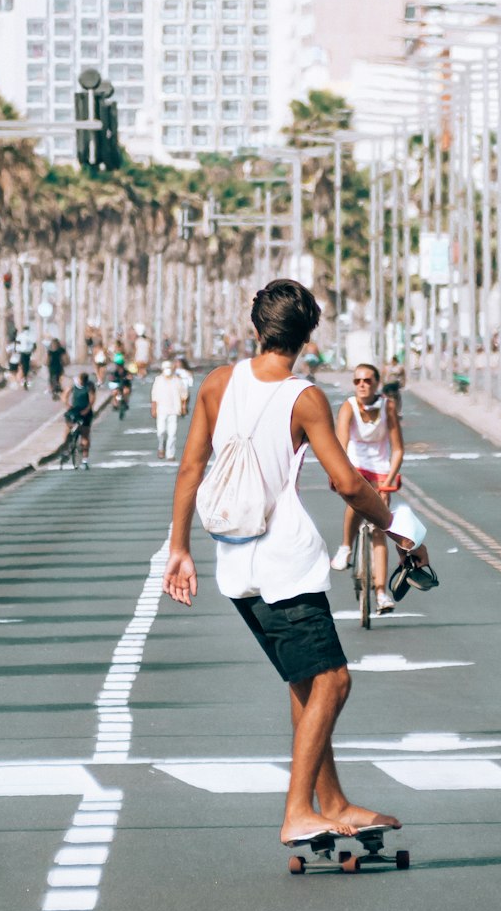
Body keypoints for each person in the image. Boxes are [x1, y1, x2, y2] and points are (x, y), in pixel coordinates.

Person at [162, 279, 428, 845]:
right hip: (284, 563)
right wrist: (398, 529)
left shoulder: (217, 384)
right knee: (333, 682)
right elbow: (347, 482)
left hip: (236, 569)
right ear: (307, 337)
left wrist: (179, 548)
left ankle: (331, 801)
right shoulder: (303, 398)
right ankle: (296, 812)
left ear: (256, 329)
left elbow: (190, 470)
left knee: (306, 683)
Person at [329, 363, 405, 614]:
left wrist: (388, 480)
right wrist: (340, 474)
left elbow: (397, 449)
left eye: (368, 381)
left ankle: (382, 593)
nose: (362, 385)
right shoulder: (348, 407)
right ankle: (346, 547)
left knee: (381, 527)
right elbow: (340, 445)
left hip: (381, 467)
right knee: (356, 501)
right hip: (355, 464)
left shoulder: (388, 406)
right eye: (357, 381)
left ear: (377, 383)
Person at [151, 360, 187, 460]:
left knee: (172, 434)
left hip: (174, 411)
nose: (167, 370)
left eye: (169, 368)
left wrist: (184, 407)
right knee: (161, 431)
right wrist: (153, 409)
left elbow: (184, 395)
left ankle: (170, 454)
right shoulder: (158, 380)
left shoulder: (177, 381)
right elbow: (154, 396)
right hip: (161, 410)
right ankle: (161, 447)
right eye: (166, 368)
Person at [63, 372, 96, 469]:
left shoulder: (88, 385)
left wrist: (87, 409)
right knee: (70, 429)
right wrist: (67, 404)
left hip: (82, 412)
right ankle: (67, 447)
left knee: (84, 435)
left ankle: (84, 459)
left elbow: (92, 399)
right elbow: (65, 395)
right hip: (78, 411)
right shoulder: (80, 385)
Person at [15, 324, 37, 389]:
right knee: (25, 366)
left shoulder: (20, 336)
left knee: (23, 366)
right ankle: (24, 378)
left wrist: (17, 350)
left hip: (23, 353)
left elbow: (17, 343)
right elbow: (34, 345)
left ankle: (24, 378)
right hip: (26, 353)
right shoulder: (30, 336)